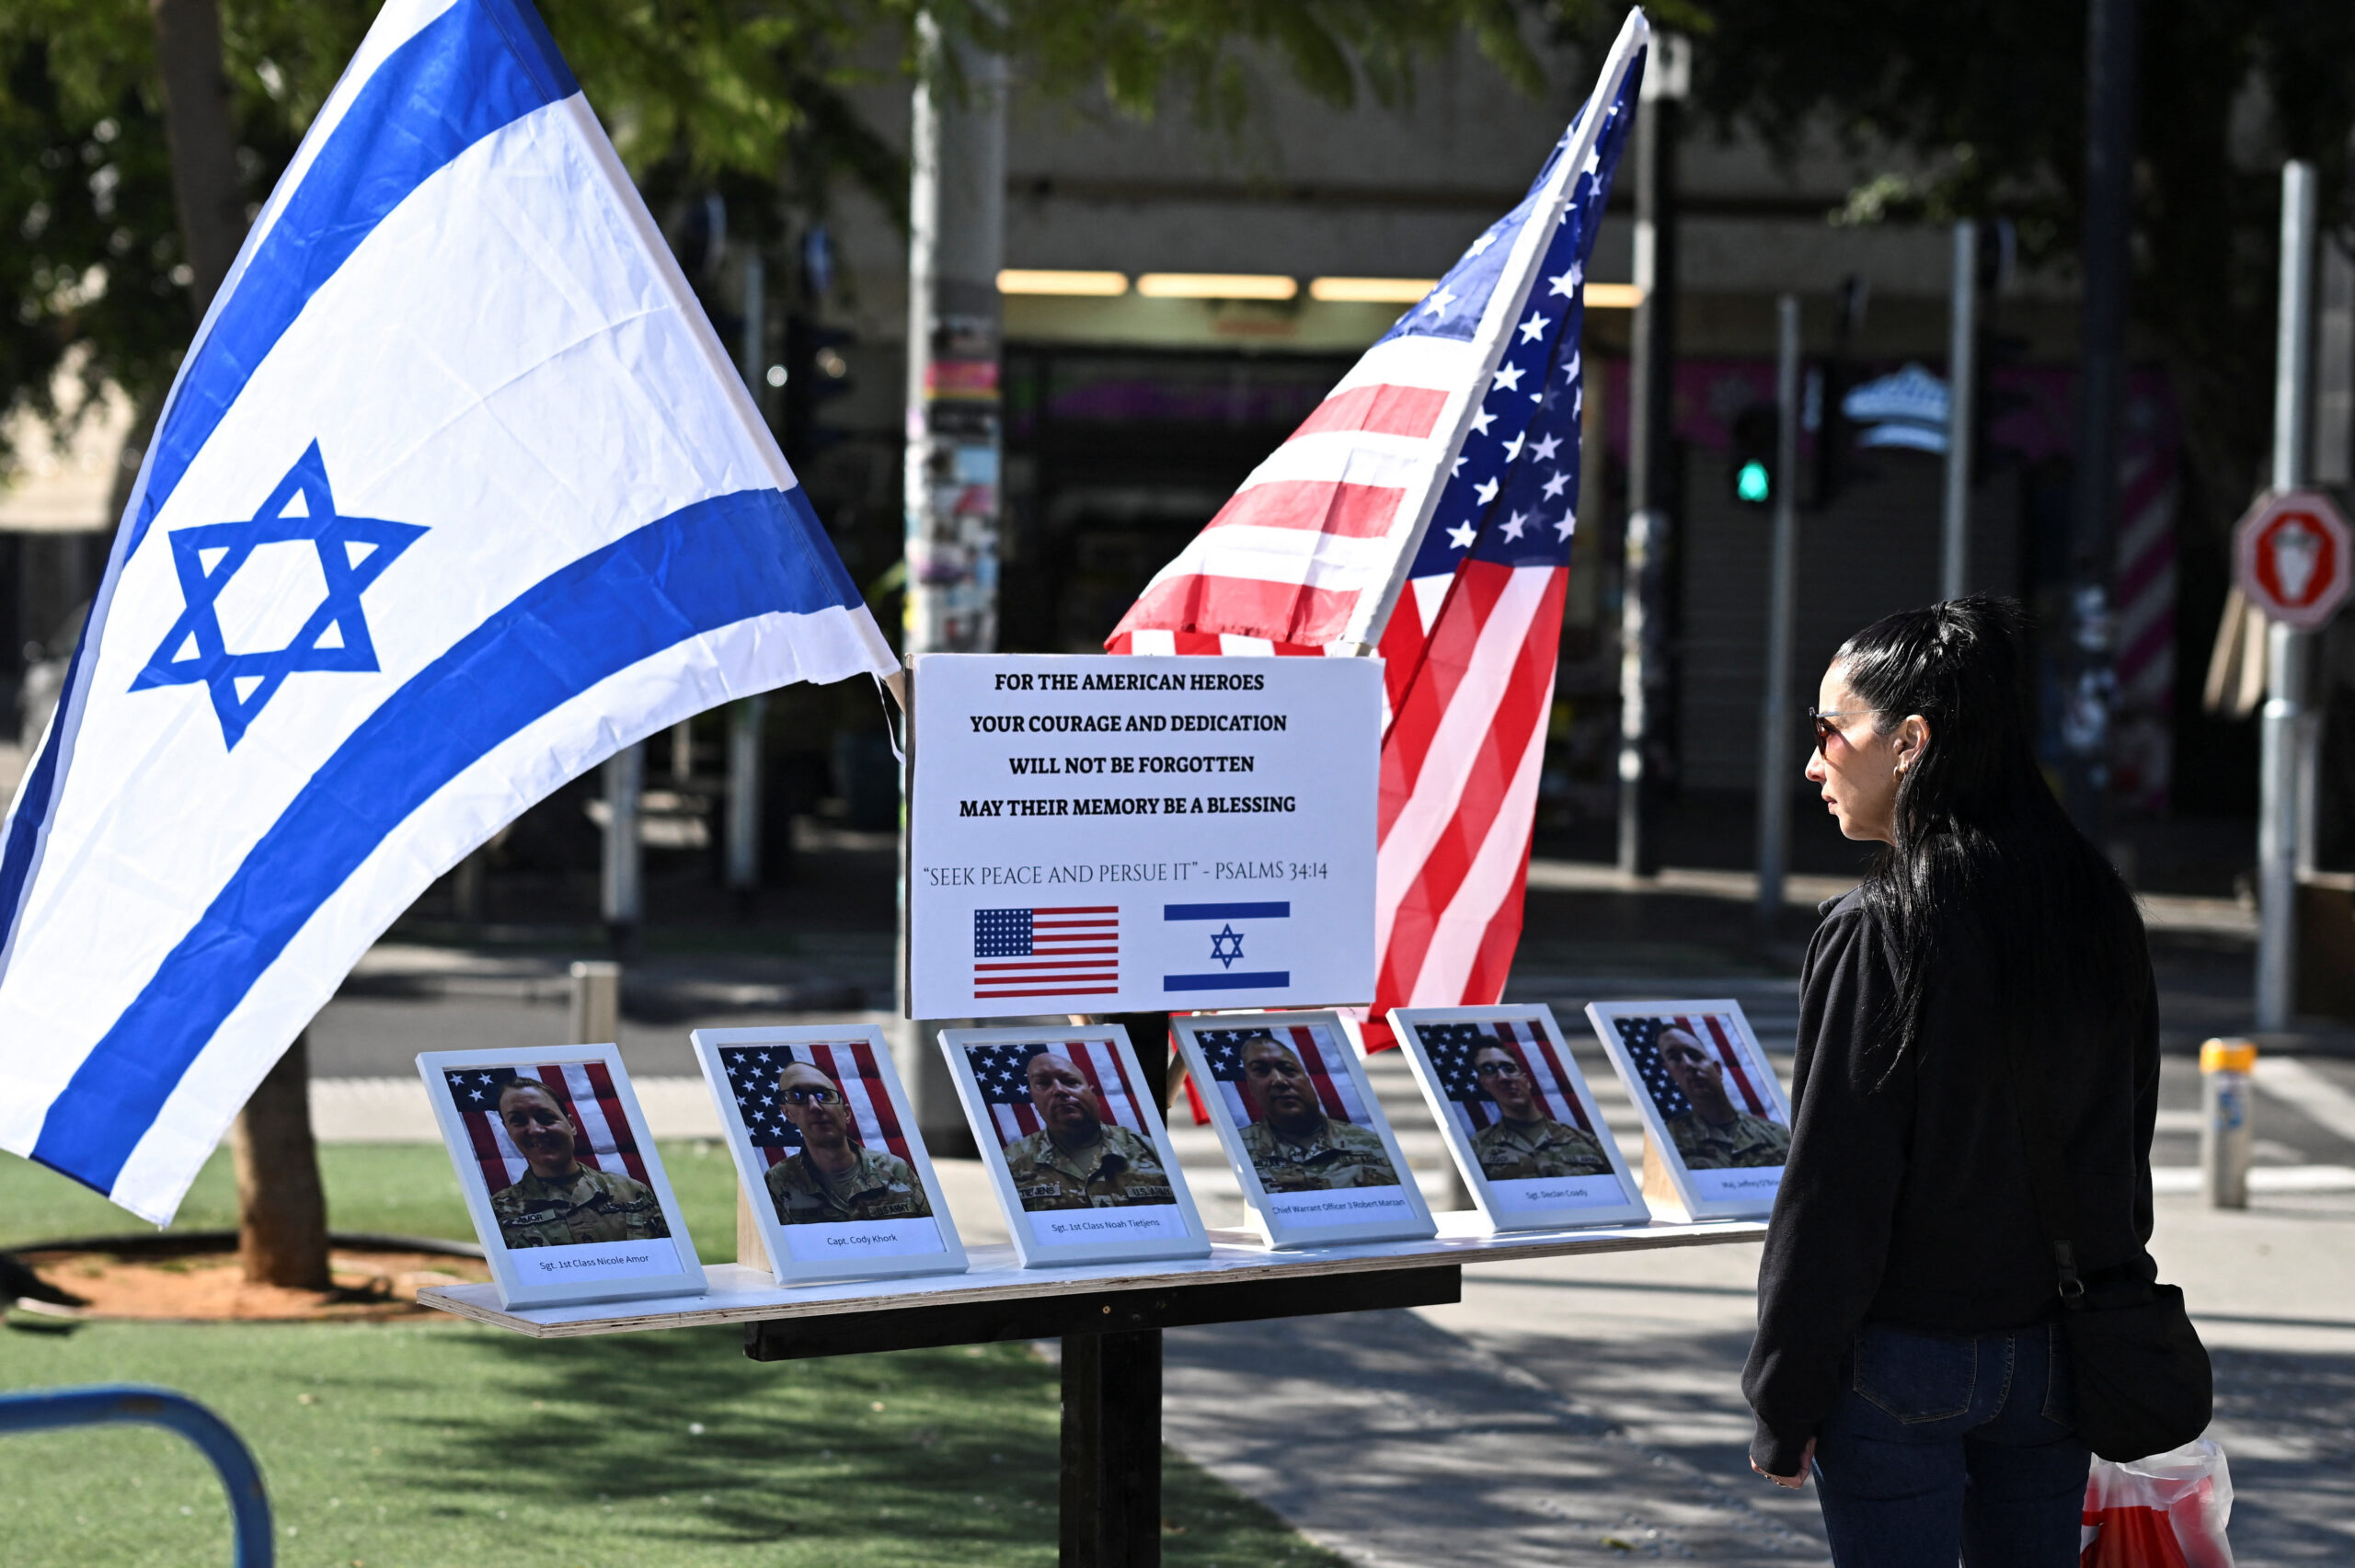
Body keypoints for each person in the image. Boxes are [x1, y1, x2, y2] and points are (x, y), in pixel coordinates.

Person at [1741, 598, 2157, 1568]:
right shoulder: (2096, 908)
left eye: (1828, 732)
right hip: (2056, 1354)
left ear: (1910, 742)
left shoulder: (1878, 927)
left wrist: (1785, 1393)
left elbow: (1833, 1189)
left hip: (1899, 1363)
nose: (1811, 764)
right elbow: (2120, 1147)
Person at [487, 1077, 672, 1249]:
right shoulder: (500, 1212)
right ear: (509, 1134)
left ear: (572, 1125)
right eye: (518, 1121)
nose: (535, 1130)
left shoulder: (632, 1192)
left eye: (545, 1117)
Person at [763, 1059, 932, 1226]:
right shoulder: (778, 1181)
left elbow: (931, 1239)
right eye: (797, 1096)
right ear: (788, 1114)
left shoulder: (896, 1170)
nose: (814, 1106)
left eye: (824, 1095)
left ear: (846, 1113)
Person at [1001, 1048, 1176, 1209]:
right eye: (1044, 1083)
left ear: (1092, 1093)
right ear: (1034, 1100)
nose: (1059, 1090)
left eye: (1070, 1082)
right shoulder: (1011, 1161)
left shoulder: (1149, 1149)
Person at [1235, 1033, 1399, 1190]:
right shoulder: (1240, 1147)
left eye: (1288, 1069)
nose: (1279, 1080)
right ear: (1250, 1087)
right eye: (1261, 1071)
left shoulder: (1370, 1144)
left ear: (1307, 1079)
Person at [1466, 1042, 1612, 1180]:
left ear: (1527, 1080)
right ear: (1483, 1084)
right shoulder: (1476, 1148)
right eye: (1489, 1071)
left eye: (1509, 1068)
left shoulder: (1587, 1142)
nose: (1504, 1078)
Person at [1658, 1026, 1790, 1169]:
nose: (1689, 1064)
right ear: (1670, 1074)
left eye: (1695, 1056)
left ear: (1718, 1070)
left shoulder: (1778, 1135)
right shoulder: (1667, 1141)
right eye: (1676, 1059)